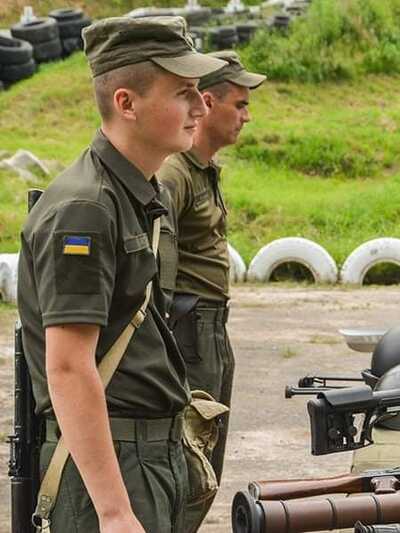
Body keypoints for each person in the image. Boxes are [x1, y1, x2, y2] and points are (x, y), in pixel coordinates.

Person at [15, 16, 225, 533]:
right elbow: (68, 367)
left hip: (146, 454)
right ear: (126, 103)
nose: (201, 107)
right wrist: (113, 510)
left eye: (199, 92)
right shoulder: (86, 208)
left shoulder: (133, 193)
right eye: (183, 93)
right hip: (112, 465)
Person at [157, 50, 266, 527]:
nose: (246, 116)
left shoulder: (202, 169)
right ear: (207, 101)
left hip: (210, 328)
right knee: (190, 460)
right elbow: (158, 269)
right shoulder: (174, 172)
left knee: (206, 461)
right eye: (239, 104)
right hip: (188, 329)